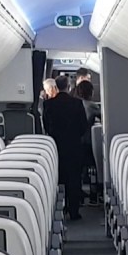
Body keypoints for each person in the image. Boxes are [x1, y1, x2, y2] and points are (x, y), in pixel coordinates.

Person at [42, 74, 88, 220]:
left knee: (59, 179)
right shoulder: (77, 103)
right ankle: (74, 211)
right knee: (74, 179)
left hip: (56, 148)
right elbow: (83, 127)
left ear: (56, 87)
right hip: (74, 147)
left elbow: (47, 127)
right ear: (68, 87)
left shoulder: (48, 105)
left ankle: (59, 212)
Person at [76, 80, 103, 205]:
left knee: (79, 169)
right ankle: (93, 196)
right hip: (88, 140)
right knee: (92, 167)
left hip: (77, 140)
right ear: (91, 92)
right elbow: (104, 118)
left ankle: (79, 196)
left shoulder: (76, 104)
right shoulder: (92, 105)